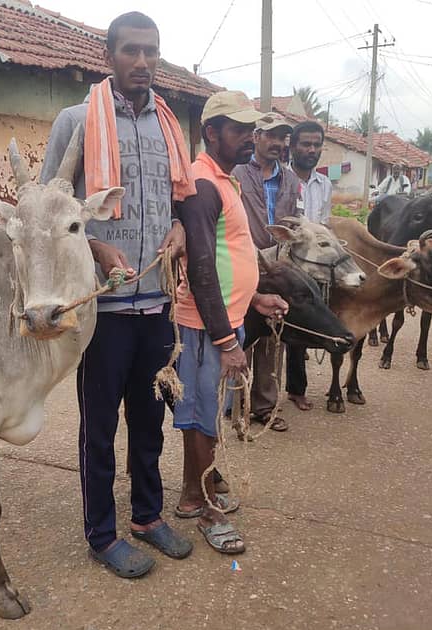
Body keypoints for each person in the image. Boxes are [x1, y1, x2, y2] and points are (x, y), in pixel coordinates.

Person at [40, 11, 196, 578]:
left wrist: (179, 228)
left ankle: (148, 518)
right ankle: (102, 534)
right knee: (100, 427)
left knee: (150, 422)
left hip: (156, 300)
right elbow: (50, 209)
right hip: (102, 306)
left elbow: (181, 199)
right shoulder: (76, 121)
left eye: (151, 51)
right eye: (131, 50)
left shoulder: (168, 125)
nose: (143, 62)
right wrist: (99, 247)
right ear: (109, 56)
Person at [173, 91, 289, 553]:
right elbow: (200, 268)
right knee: (202, 416)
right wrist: (226, 339)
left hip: (225, 318)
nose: (249, 137)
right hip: (206, 325)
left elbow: (228, 256)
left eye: (251, 129)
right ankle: (204, 508)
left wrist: (255, 297)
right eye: (239, 129)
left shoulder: (226, 180)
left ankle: (189, 495)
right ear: (210, 133)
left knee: (207, 413)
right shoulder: (203, 183)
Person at [231, 113, 300, 431]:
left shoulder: (290, 179)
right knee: (241, 334)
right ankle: (237, 406)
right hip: (244, 262)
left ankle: (265, 406)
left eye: (282, 137)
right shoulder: (236, 174)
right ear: (256, 136)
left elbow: (296, 220)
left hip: (280, 264)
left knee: (274, 336)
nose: (276, 143)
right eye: (270, 136)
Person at [285, 120, 332, 411]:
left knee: (305, 325)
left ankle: (296, 388)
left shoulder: (324, 184)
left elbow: (325, 225)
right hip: (287, 261)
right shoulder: (282, 178)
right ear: (293, 146)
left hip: (314, 265)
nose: (311, 149)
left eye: (316, 145)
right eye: (305, 143)